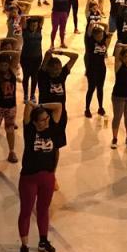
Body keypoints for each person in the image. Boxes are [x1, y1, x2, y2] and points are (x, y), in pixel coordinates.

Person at [17, 101, 64, 252]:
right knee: (26, 211)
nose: (46, 121)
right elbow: (27, 110)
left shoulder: (52, 128)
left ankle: (43, 241)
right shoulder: (29, 131)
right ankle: (24, 246)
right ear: (35, 122)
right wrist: (32, 106)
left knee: (43, 210)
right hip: (29, 179)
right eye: (43, 120)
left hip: (48, 178)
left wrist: (41, 106)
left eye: (47, 118)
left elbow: (58, 106)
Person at [37, 48, 78, 189]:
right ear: (48, 68)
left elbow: (75, 56)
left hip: (60, 117)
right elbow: (46, 59)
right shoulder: (43, 77)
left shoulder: (62, 75)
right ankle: (40, 172)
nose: (57, 71)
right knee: (42, 145)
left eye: (59, 69)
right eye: (54, 69)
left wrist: (61, 52)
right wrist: (49, 54)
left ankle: (52, 175)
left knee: (55, 147)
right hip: (44, 117)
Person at [0, 50, 20, 167]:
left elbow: (17, 54)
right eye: (1, 65)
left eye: (6, 65)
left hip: (11, 107)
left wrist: (4, 52)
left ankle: (11, 151)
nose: (3, 67)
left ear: (9, 64)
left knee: (10, 130)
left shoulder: (13, 71)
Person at [83, 23, 111, 118]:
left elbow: (106, 26)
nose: (100, 37)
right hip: (92, 69)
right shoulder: (90, 41)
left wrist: (99, 23)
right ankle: (87, 109)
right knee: (91, 88)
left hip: (102, 68)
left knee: (100, 88)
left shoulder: (102, 40)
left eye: (101, 35)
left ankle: (100, 107)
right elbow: (89, 28)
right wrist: (93, 24)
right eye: (98, 36)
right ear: (94, 36)